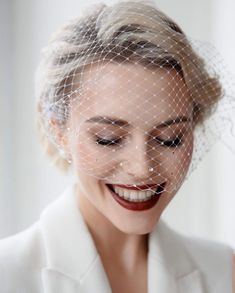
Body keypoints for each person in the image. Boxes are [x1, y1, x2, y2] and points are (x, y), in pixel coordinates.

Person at [0, 1, 234, 292]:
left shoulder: (223, 271)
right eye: (108, 138)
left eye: (170, 138)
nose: (141, 168)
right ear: (58, 131)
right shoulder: (7, 273)